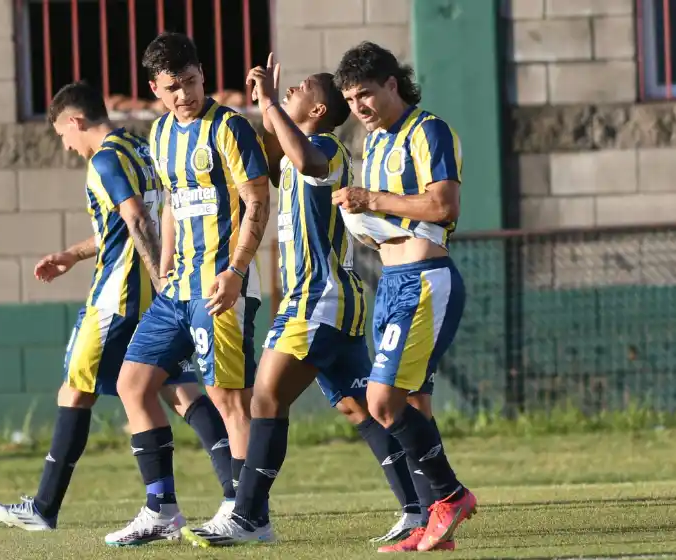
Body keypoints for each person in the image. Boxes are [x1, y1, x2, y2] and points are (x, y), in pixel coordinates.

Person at [181, 54, 423, 547]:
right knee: (362, 408)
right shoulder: (295, 153)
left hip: (319, 299)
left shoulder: (327, 149)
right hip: (322, 301)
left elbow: (307, 160)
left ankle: (249, 515)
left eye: (298, 89)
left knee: (265, 398)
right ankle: (419, 507)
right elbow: (271, 161)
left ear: (316, 110)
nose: (290, 90)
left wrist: (271, 103)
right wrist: (259, 110)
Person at [0, 81, 236, 533]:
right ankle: (234, 493)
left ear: (75, 121)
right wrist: (72, 255)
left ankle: (45, 507)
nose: (66, 145)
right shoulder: (138, 149)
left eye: (63, 134)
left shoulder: (103, 159)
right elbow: (122, 223)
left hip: (116, 301)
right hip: (153, 299)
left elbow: (137, 217)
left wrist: (161, 282)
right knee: (179, 391)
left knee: (74, 389)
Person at [101, 32, 271, 546]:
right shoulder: (159, 135)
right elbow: (173, 201)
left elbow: (257, 201)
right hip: (178, 289)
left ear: (202, 74)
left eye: (191, 82)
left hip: (224, 284)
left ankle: (249, 516)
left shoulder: (230, 128)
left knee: (228, 400)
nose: (184, 95)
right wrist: (167, 264)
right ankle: (161, 510)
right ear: (155, 87)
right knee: (133, 384)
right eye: (172, 87)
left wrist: (237, 271)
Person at [330, 41, 477, 553]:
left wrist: (371, 199)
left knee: (382, 401)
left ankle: (451, 495)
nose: (358, 108)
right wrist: (364, 223)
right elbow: (396, 218)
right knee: (414, 402)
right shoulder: (374, 144)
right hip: (392, 282)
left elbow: (442, 204)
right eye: (350, 100)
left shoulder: (427, 130)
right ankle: (433, 522)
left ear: (393, 84)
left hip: (424, 282)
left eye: (365, 95)